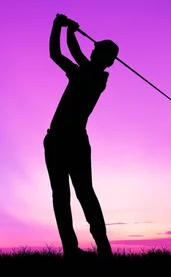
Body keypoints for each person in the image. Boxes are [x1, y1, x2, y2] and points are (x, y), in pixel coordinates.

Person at [44, 13, 119, 260]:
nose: (94, 52)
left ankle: (104, 249)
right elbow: (56, 54)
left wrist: (68, 30)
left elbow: (73, 53)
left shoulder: (96, 77)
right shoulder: (82, 72)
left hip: (74, 141)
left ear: (107, 61)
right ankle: (71, 250)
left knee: (84, 193)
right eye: (96, 49)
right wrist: (60, 27)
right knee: (61, 195)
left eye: (99, 51)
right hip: (55, 140)